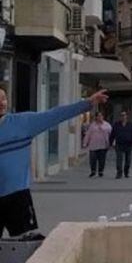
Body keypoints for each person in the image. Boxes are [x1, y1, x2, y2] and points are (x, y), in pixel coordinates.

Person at [0, 87, 109, 238]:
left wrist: (87, 103)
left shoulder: (22, 123)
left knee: (22, 248)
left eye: (4, 98)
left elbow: (54, 115)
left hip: (17, 197)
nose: (2, 103)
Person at [82, 112, 112, 177]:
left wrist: (111, 143)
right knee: (92, 159)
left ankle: (101, 171)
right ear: (96, 117)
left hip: (103, 145)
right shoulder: (92, 125)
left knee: (102, 160)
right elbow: (88, 134)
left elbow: (111, 134)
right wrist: (85, 143)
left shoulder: (107, 125)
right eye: (98, 116)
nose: (100, 117)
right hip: (93, 145)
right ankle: (93, 171)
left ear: (103, 117)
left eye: (101, 116)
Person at [110, 110, 132, 179]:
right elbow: (112, 135)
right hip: (119, 144)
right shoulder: (116, 125)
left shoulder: (131, 125)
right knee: (119, 159)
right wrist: (111, 143)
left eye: (124, 115)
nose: (123, 117)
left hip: (128, 144)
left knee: (128, 160)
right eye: (121, 115)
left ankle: (126, 172)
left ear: (127, 116)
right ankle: (119, 173)